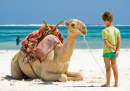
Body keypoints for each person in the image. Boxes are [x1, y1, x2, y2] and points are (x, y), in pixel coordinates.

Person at [101, 11, 121, 87]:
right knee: (114, 66)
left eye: (103, 21)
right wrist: (117, 50)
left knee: (108, 67)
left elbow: (105, 42)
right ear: (112, 20)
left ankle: (108, 83)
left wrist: (112, 47)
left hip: (106, 52)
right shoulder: (117, 30)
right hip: (115, 52)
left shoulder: (104, 31)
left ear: (105, 20)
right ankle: (116, 83)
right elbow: (119, 41)